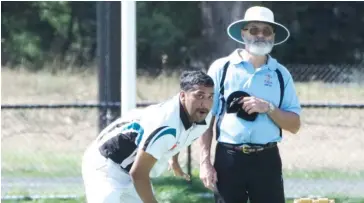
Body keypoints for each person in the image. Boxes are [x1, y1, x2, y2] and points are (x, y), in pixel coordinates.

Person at [199, 6, 302, 203]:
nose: (260, 35)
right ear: (243, 33)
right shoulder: (222, 68)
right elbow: (205, 120)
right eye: (254, 30)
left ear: (273, 35)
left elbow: (295, 125)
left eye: (266, 31)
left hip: (267, 159)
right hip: (228, 158)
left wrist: (269, 108)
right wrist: (205, 162)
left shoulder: (281, 74)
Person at [82, 70, 214, 203]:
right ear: (183, 96)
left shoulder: (202, 116)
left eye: (210, 96)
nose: (206, 103)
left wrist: (174, 159)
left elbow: (183, 134)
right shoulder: (165, 124)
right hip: (105, 165)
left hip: (131, 169)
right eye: (200, 96)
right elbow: (138, 174)